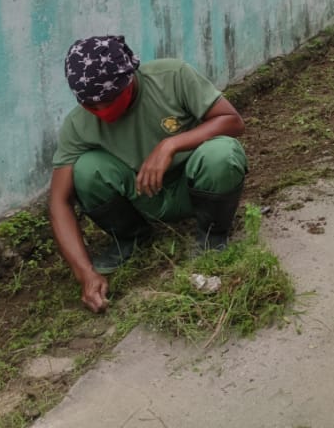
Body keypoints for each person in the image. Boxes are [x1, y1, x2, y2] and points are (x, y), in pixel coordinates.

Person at [48, 35, 248, 312]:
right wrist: (84, 272)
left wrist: (172, 144)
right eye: (91, 106)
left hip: (194, 187)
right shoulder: (77, 126)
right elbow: (59, 202)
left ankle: (212, 235)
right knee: (85, 169)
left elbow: (233, 122)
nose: (103, 110)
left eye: (109, 100)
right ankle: (132, 238)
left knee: (223, 153)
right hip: (143, 198)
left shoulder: (173, 76)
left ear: (130, 78)